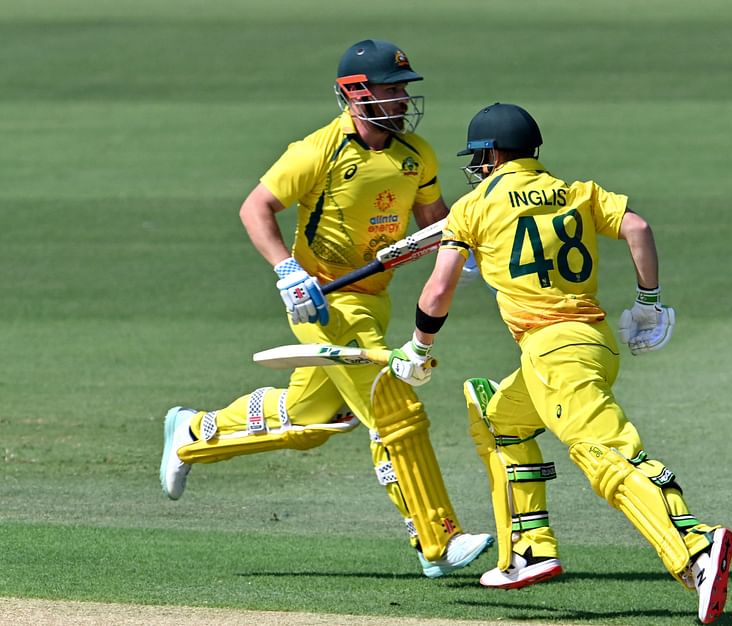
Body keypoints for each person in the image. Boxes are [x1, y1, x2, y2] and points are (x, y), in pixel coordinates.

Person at [387, 103, 732, 623]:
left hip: (553, 353)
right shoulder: (577, 190)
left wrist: (418, 348)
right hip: (592, 343)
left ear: (492, 154)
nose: (477, 166)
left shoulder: (473, 206)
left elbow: (438, 290)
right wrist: (648, 302)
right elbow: (637, 228)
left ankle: (695, 545)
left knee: (606, 454)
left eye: (480, 157)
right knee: (498, 417)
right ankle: (530, 548)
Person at [159, 39, 492, 578]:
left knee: (310, 420)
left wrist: (466, 247)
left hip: (372, 301)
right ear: (355, 93)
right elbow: (256, 207)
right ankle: (438, 539)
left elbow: (436, 221)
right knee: (394, 410)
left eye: (405, 89)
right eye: (391, 89)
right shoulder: (317, 149)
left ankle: (194, 433)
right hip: (322, 301)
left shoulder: (417, 155)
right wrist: (286, 270)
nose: (403, 99)